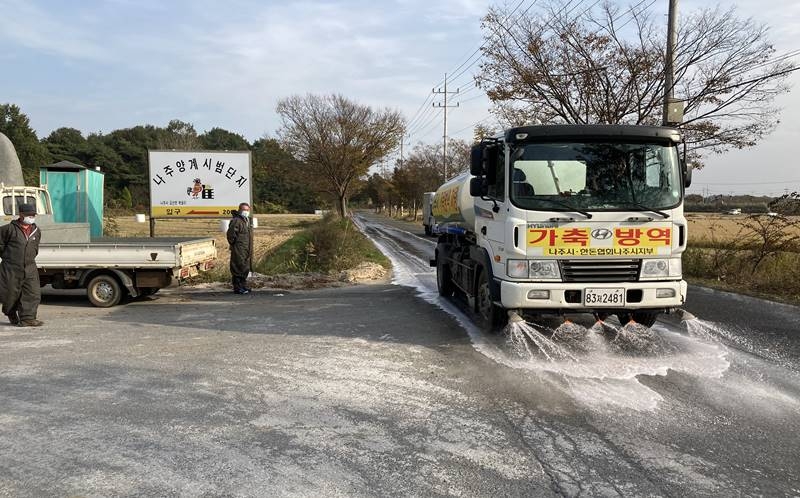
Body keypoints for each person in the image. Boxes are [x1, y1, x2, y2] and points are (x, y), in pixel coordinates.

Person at [0, 203, 43, 326]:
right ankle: (10, 313)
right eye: (29, 215)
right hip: (11, 267)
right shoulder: (8, 229)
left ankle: (27, 318)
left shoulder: (36, 231)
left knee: (33, 292)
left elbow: (35, 248)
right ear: (21, 215)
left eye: (33, 215)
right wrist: (8, 257)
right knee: (10, 294)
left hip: (30, 266)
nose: (32, 217)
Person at [226, 202, 252, 295]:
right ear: (240, 210)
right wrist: (234, 245)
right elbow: (231, 235)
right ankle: (237, 287)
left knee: (244, 267)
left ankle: (243, 286)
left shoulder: (245, 220)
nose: (246, 212)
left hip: (245, 248)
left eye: (247, 210)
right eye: (244, 210)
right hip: (238, 248)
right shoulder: (237, 220)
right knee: (237, 267)